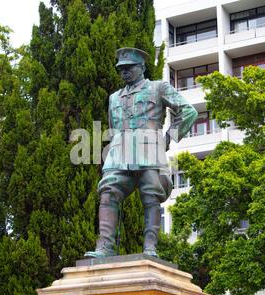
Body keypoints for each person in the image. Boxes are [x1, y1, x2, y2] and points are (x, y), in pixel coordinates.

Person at [84, 47, 198, 259]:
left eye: (129, 68)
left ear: (142, 67)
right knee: (108, 192)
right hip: (119, 153)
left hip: (149, 152)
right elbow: (113, 127)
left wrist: (168, 138)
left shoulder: (158, 88)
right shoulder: (114, 98)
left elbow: (189, 112)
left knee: (150, 196)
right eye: (121, 69)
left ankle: (150, 247)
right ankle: (105, 247)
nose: (124, 72)